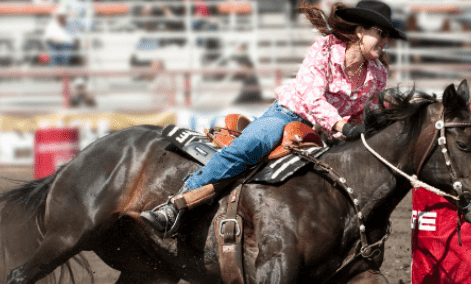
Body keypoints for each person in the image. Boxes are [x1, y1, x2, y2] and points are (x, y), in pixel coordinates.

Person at [140, 0, 406, 235]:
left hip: (328, 135)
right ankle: (175, 205)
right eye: (380, 34)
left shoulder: (378, 74)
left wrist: (355, 130)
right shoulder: (324, 50)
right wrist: (341, 125)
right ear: (360, 31)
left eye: (388, 37)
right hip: (287, 117)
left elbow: (362, 114)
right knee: (248, 147)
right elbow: (313, 99)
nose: (385, 43)